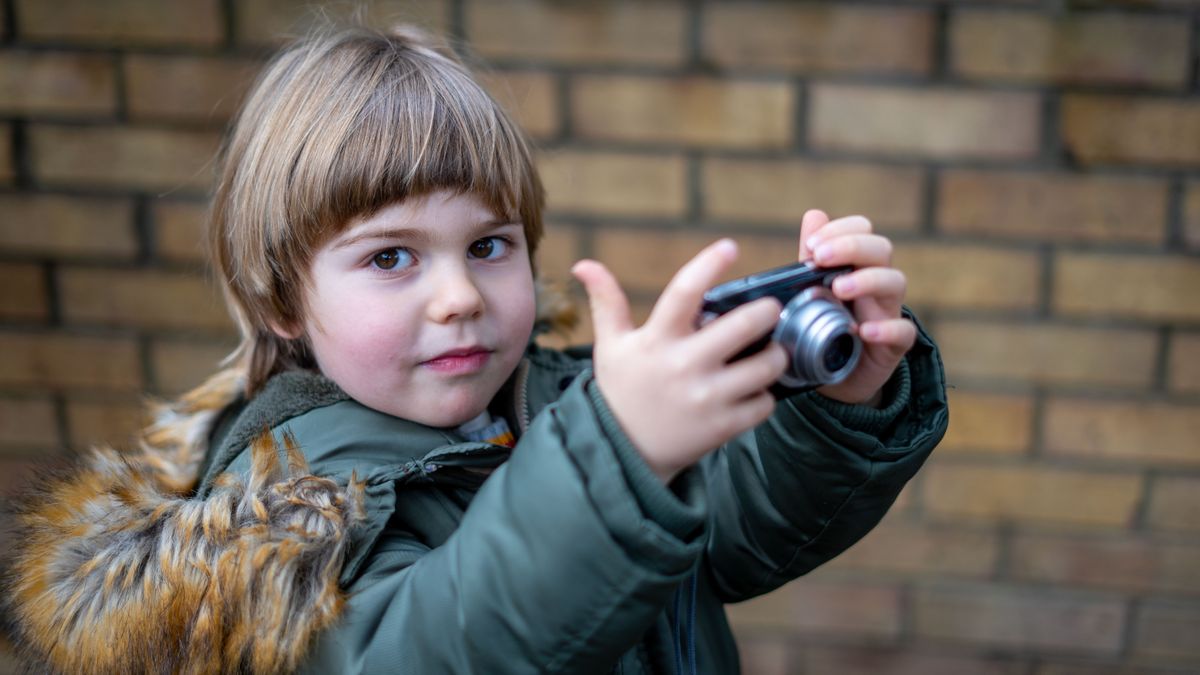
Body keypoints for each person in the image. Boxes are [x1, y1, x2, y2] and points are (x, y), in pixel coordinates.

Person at [4, 23, 948, 675]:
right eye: (390, 257)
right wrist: (619, 463)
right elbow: (447, 646)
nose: (458, 296)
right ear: (281, 297)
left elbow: (727, 536)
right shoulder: (285, 518)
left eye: (487, 245)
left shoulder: (558, 398)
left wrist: (840, 406)